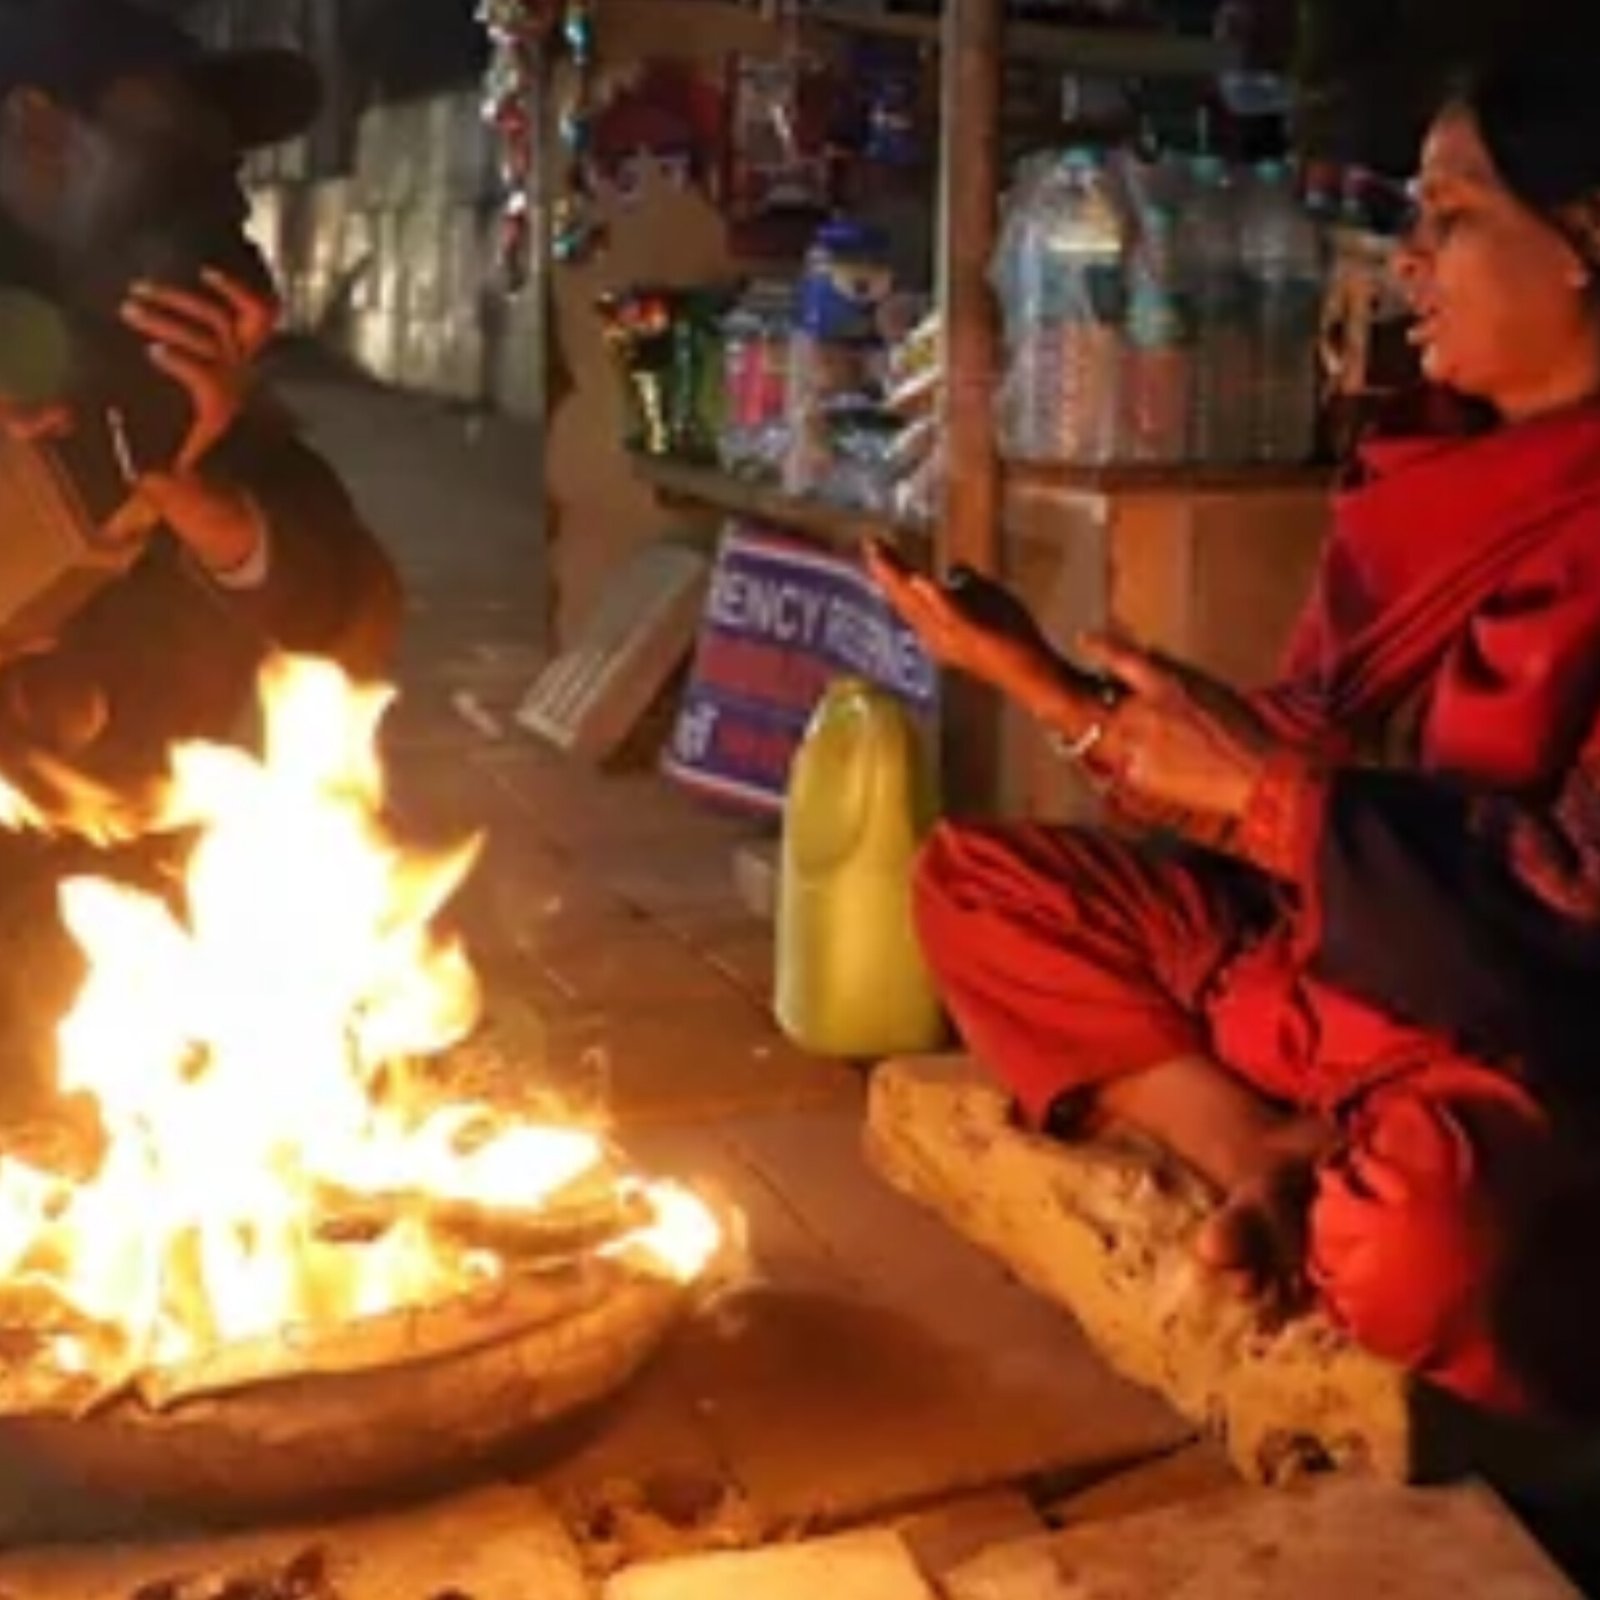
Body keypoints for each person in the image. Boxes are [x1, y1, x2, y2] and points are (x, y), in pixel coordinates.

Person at [868, 50, 1600, 1422]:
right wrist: (1038, 682)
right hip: (1317, 962)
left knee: (1424, 1247)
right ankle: (1262, 1148)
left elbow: (1562, 915)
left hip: (1505, 1037)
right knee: (973, 886)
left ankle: (1333, 1167)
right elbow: (1275, 782)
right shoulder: (1425, 469)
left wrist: (1271, 795)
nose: (1406, 260)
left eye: (1451, 215)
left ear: (1583, 243)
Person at [0, 0, 400, 799]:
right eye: (167, 145)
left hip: (128, 835)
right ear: (38, 126)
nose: (214, 199)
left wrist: (193, 488)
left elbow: (346, 612)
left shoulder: (145, 342)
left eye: (218, 162)